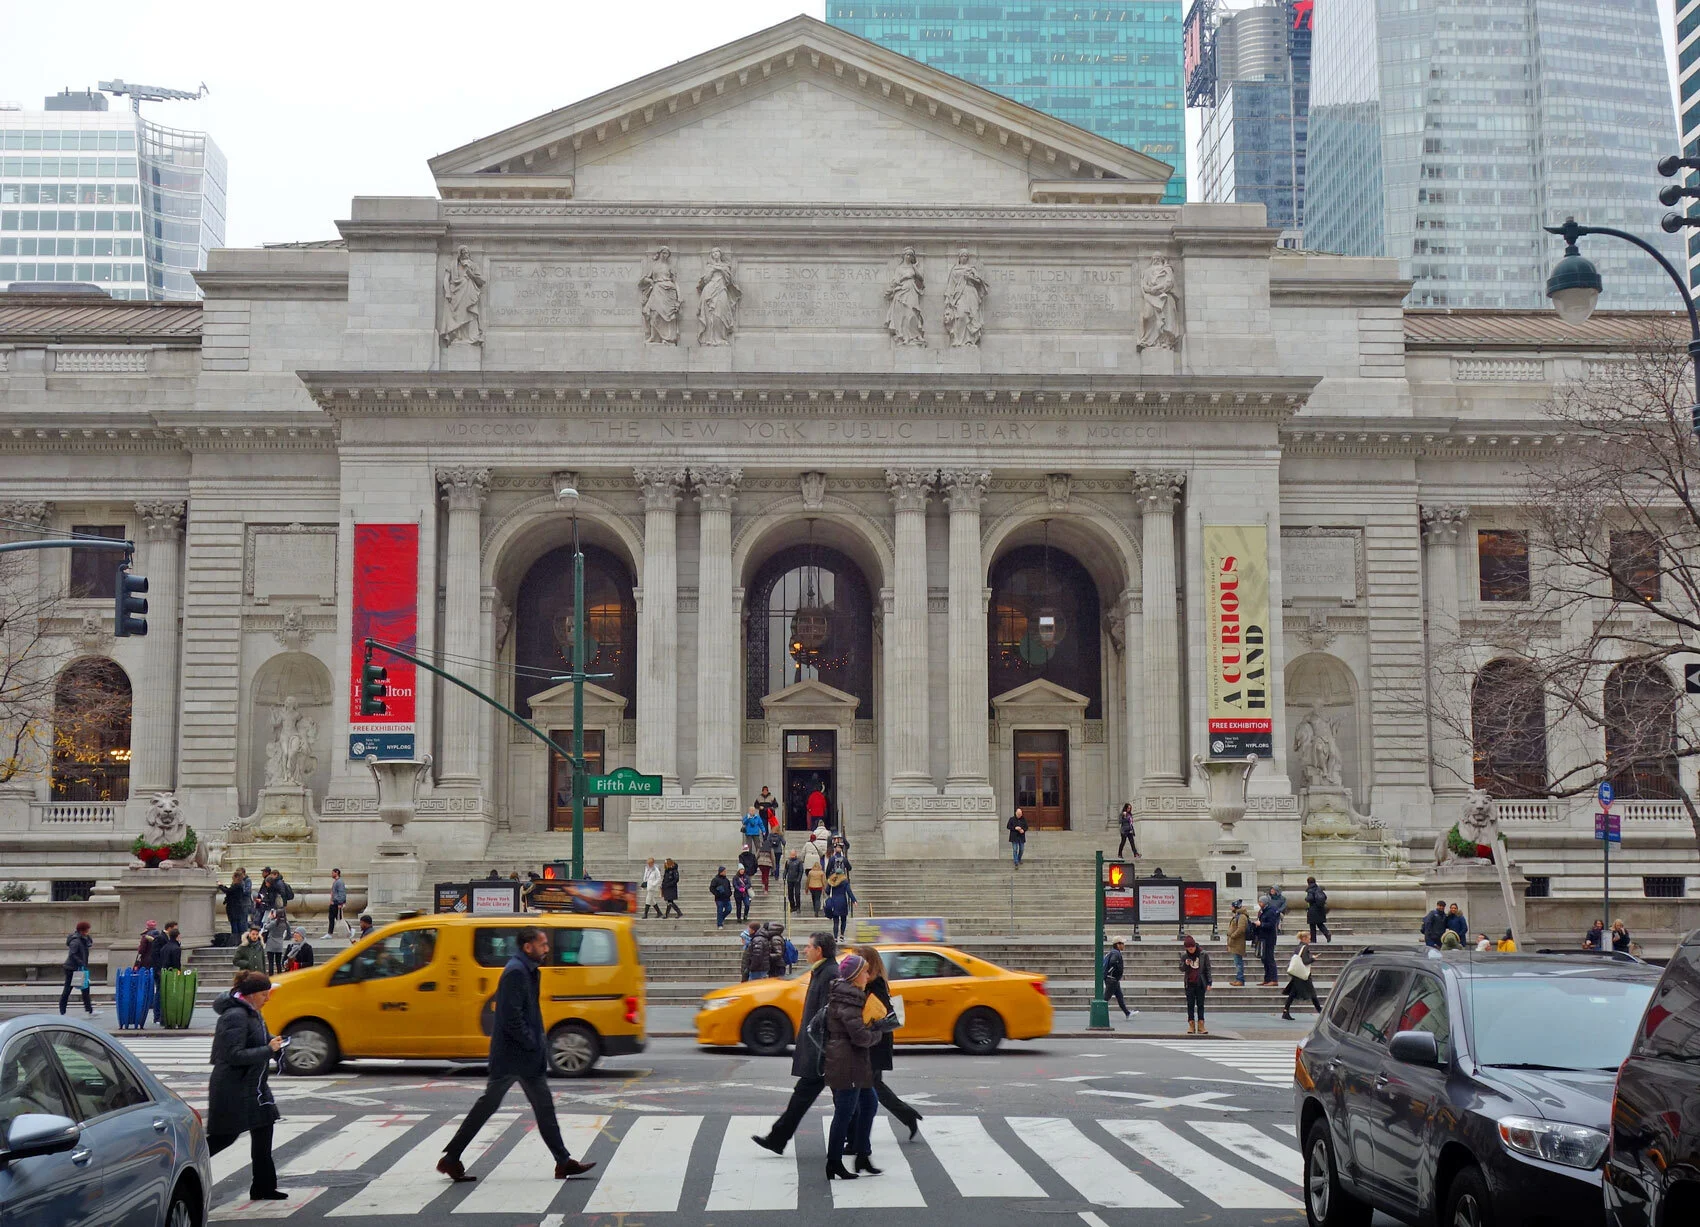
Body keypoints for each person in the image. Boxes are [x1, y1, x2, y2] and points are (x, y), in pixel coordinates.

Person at [437, 926, 596, 1183]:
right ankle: (451, 1157)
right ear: (527, 946)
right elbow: (512, 1018)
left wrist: (535, 1042)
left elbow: (527, 1012)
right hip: (513, 1055)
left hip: (522, 1055)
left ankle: (563, 1161)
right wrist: (532, 1042)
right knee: (490, 1106)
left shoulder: (528, 971)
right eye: (542, 944)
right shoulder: (516, 972)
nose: (546, 948)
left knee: (541, 1108)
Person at [752, 931, 839, 1156]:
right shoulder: (821, 971)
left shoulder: (829, 973)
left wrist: (821, 1047)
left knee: (840, 1099)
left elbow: (828, 1015)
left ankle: (777, 1138)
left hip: (822, 1053)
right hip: (820, 1050)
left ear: (819, 950)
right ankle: (777, 1138)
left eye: (809, 946)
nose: (805, 950)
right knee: (833, 1098)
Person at [208, 971, 287, 1201]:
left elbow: (259, 1038)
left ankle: (264, 1187)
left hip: (255, 1086)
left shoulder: (252, 1012)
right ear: (251, 995)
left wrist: (276, 1042)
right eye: (264, 994)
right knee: (224, 1138)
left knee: (264, 1132)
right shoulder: (235, 1015)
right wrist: (268, 1049)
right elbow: (233, 1054)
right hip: (233, 1088)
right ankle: (181, 1165)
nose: (268, 998)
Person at [822, 951, 897, 1180]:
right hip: (847, 1061)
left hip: (855, 1061)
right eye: (864, 971)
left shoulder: (855, 995)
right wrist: (879, 1030)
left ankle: (863, 1155)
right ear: (855, 975)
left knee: (869, 1104)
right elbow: (860, 1037)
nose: (868, 974)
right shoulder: (849, 1000)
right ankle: (834, 1162)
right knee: (844, 1112)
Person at [856, 945, 922, 1139]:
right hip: (875, 1040)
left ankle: (906, 1115)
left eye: (860, 959)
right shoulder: (874, 982)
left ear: (869, 962)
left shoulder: (874, 984)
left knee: (869, 1086)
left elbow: (878, 1014)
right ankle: (907, 1115)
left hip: (876, 1042)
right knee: (872, 1085)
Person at [59, 920, 97, 1016]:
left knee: (85, 988)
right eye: (87, 930)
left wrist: (87, 938)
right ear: (82, 930)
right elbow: (73, 954)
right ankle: (62, 1010)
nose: (88, 931)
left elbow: (89, 943)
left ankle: (89, 1010)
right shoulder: (75, 941)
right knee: (68, 989)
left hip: (79, 968)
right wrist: (81, 963)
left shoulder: (83, 939)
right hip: (72, 968)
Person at [1281, 932, 1321, 1019]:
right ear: (1304, 938)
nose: (1309, 940)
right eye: (1308, 938)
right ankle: (1321, 1012)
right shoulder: (1305, 947)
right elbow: (1305, 961)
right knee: (1313, 994)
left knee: (1292, 993)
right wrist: (1313, 959)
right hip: (1303, 975)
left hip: (1297, 974)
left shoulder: (1298, 947)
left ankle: (1285, 1011)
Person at [1181, 933, 1212, 1035]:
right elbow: (1181, 968)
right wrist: (1186, 964)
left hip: (1200, 983)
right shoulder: (1185, 956)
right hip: (1189, 983)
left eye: (1192, 948)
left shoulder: (1203, 954)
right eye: (1188, 949)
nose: (1191, 950)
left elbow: (1208, 969)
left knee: (1200, 1004)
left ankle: (1201, 1024)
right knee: (1190, 1004)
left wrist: (1209, 982)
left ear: (1195, 946)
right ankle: (1191, 1024)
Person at [1103, 938, 1132, 1020]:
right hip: (1112, 979)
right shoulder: (1116, 953)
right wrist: (1115, 971)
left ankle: (1127, 1013)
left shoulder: (1113, 952)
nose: (1124, 945)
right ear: (1118, 944)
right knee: (1106, 998)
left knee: (1119, 996)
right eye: (1122, 943)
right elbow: (1112, 962)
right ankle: (1098, 1011)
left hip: (1113, 979)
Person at [218, 868, 252, 937]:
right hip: (237, 907)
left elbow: (228, 891)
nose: (232, 879)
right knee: (238, 924)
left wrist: (220, 885)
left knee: (236, 925)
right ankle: (239, 938)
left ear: (236, 878)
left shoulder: (237, 885)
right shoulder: (239, 885)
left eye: (233, 878)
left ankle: (236, 939)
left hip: (234, 908)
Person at [1256, 894, 1281, 986]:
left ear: (1265, 903)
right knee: (1264, 959)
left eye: (1260, 902)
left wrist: (1261, 924)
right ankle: (1267, 979)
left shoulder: (1270, 911)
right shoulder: (1262, 911)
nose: (1259, 903)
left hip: (1269, 938)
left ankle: (1274, 979)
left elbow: (1271, 924)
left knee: (1270, 958)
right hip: (1263, 938)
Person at [1225, 900, 1248, 986]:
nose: (1231, 908)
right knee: (1237, 962)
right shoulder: (1237, 916)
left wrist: (1233, 935)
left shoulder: (1242, 916)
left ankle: (1240, 979)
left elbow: (1241, 929)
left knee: (1238, 962)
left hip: (1238, 943)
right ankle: (1238, 979)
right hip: (1234, 943)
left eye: (1232, 906)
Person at [1304, 876, 1332, 943]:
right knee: (1320, 924)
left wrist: (1306, 899)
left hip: (1313, 909)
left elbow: (1310, 898)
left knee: (1312, 925)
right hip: (1320, 909)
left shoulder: (1310, 890)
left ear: (1308, 882)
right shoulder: (1319, 888)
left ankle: (1313, 939)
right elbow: (1325, 897)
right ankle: (1327, 933)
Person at [263, 907, 290, 976]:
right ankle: (280, 976)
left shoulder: (274, 922)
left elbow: (266, 927)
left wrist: (269, 918)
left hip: (271, 943)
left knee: (271, 963)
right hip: (279, 944)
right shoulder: (286, 923)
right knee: (278, 963)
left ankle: (271, 977)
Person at [326, 868, 349, 939]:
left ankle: (330, 933)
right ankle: (350, 929)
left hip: (336, 903)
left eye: (333, 873)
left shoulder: (339, 882)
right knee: (337, 918)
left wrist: (340, 903)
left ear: (337, 873)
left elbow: (342, 893)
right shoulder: (337, 882)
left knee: (333, 918)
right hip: (334, 903)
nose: (332, 874)